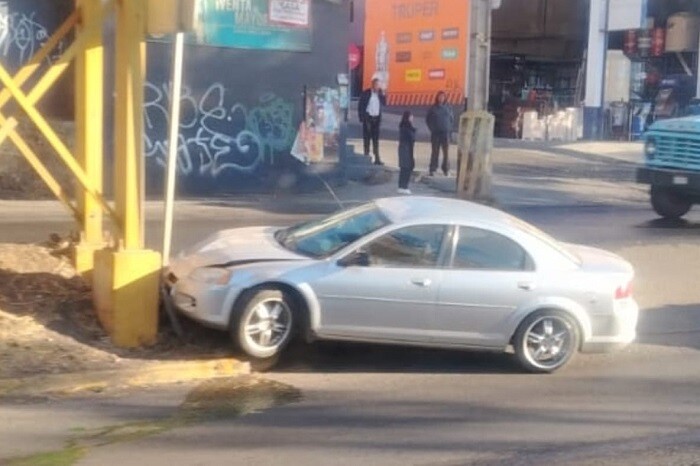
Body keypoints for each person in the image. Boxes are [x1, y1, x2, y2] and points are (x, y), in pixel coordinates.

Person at [358, 78, 386, 165]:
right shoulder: (366, 93)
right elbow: (361, 105)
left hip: (376, 119)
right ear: (373, 85)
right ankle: (366, 157)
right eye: (376, 85)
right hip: (368, 118)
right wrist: (362, 118)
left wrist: (383, 94)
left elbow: (384, 103)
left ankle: (377, 158)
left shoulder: (380, 94)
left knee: (375, 139)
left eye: (379, 85)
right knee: (367, 138)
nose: (378, 87)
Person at [426, 91, 454, 176]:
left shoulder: (448, 108)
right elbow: (428, 120)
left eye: (443, 97)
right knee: (435, 152)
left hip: (445, 134)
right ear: (437, 98)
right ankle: (433, 169)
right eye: (439, 97)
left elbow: (451, 120)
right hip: (436, 134)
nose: (441, 98)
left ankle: (446, 169)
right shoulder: (433, 108)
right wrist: (432, 129)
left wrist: (449, 129)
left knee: (446, 153)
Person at [397, 110, 416, 194]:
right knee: (406, 168)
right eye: (411, 116)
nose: (412, 118)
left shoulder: (408, 127)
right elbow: (411, 138)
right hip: (405, 149)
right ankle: (403, 186)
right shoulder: (406, 127)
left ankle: (403, 186)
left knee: (406, 167)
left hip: (407, 148)